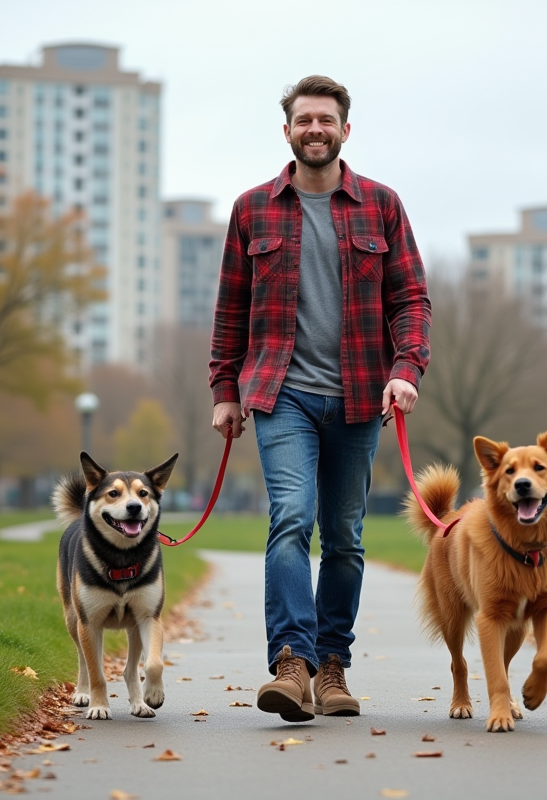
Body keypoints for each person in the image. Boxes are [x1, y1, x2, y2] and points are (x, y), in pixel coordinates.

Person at [209, 75, 432, 722]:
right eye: (303, 119)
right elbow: (231, 309)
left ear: (344, 130)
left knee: (344, 537)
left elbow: (410, 299)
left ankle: (332, 666)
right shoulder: (252, 209)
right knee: (290, 518)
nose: (314, 129)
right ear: (287, 131)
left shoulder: (381, 205)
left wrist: (406, 369)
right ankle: (291, 663)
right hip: (282, 394)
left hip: (362, 395)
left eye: (325, 120)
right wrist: (226, 390)